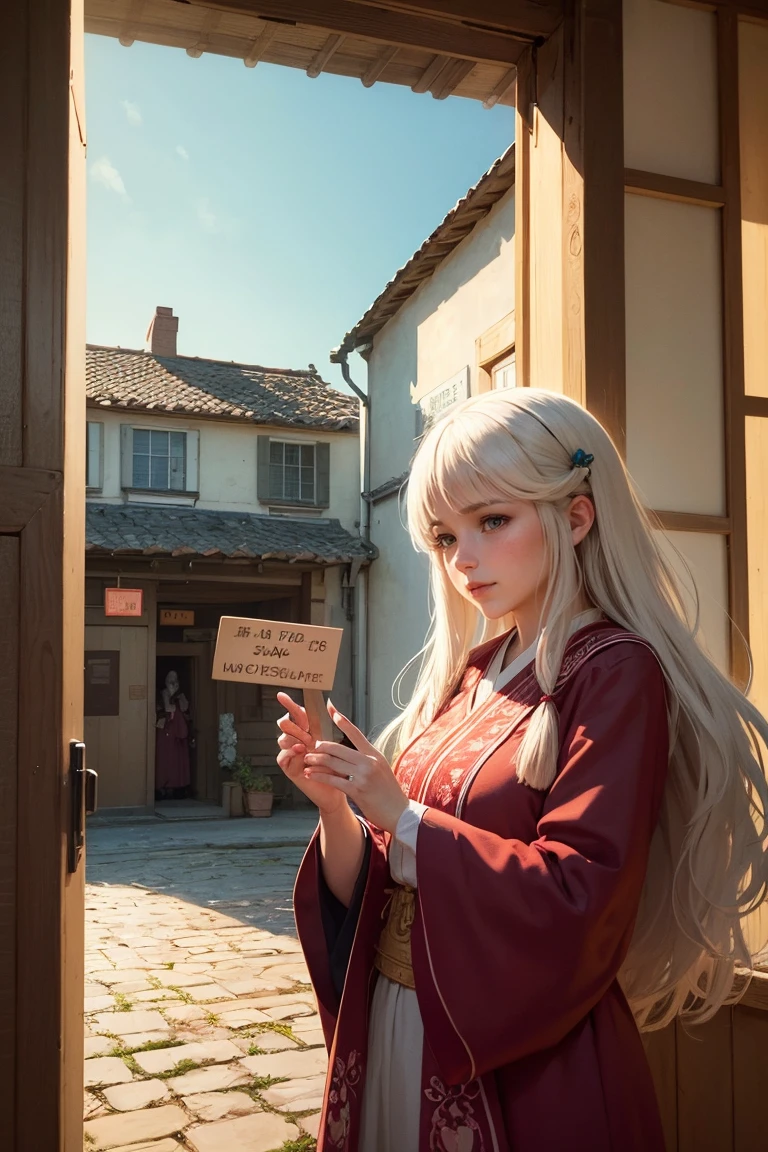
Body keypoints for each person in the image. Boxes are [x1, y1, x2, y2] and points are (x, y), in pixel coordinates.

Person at [276, 388, 768, 1152]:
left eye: (492, 521)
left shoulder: (616, 671)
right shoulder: (474, 672)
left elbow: (584, 896)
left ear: (575, 517)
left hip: (525, 1056)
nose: (463, 558)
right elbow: (385, 873)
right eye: (444, 535)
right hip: (403, 1024)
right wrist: (340, 809)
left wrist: (402, 817)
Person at [155, 669, 191, 798]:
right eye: (170, 678)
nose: (172, 681)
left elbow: (186, 709)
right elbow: (160, 710)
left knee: (177, 760)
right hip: (164, 731)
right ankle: (161, 786)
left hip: (178, 732)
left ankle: (178, 787)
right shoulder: (160, 695)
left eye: (174, 679)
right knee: (163, 759)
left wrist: (177, 696)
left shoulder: (181, 696)